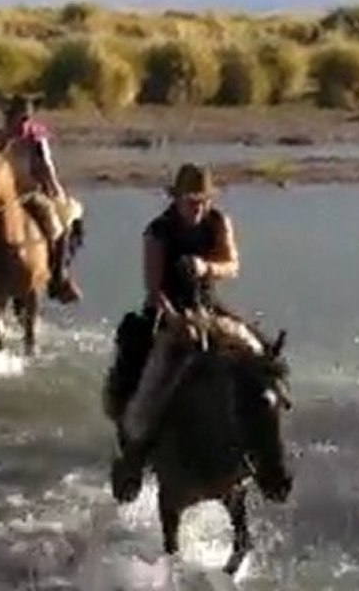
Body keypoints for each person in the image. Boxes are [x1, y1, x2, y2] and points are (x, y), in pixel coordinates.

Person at [109, 163, 274, 502]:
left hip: (211, 310)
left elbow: (232, 264)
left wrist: (206, 267)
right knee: (152, 385)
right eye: (191, 201)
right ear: (177, 200)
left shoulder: (218, 222)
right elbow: (154, 289)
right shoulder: (158, 232)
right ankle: (134, 459)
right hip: (169, 314)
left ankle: (267, 449)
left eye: (202, 201)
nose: (197, 207)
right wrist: (173, 320)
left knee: (259, 356)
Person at [0, 94, 82, 308]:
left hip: (31, 194)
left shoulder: (36, 139)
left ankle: (59, 277)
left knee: (58, 227)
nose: (23, 122)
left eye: (26, 118)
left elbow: (46, 166)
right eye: (19, 117)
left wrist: (54, 188)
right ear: (10, 117)